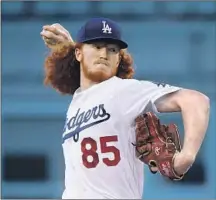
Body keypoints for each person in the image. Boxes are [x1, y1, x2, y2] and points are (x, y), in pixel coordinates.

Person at [40, 18, 210, 199]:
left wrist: (187, 155)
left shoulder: (124, 91)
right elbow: (86, 76)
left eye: (112, 50)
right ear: (78, 54)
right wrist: (69, 47)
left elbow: (196, 100)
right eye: (97, 46)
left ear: (118, 59)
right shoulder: (79, 99)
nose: (104, 54)